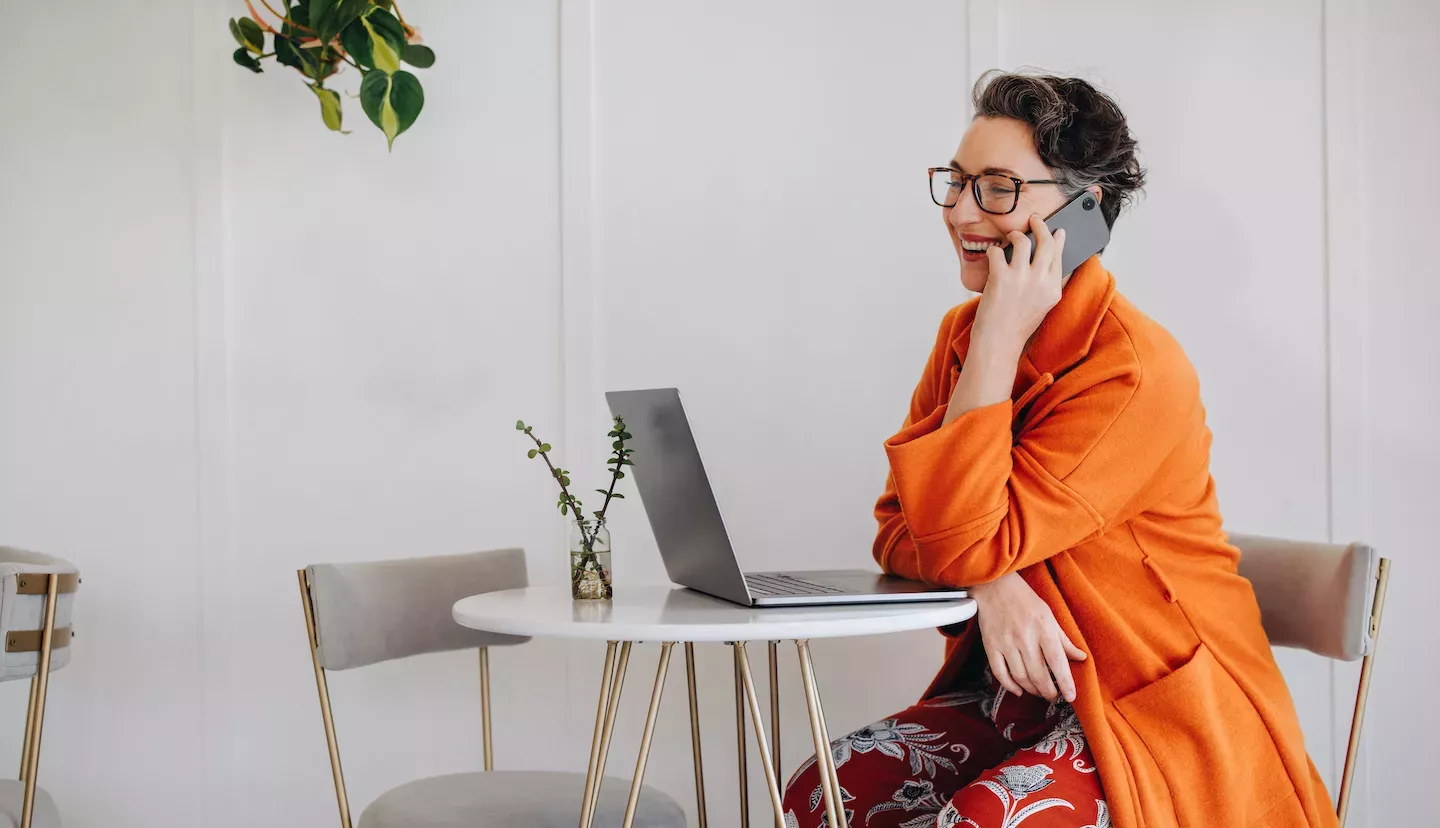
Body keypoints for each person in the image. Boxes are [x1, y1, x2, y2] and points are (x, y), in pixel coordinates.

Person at [780, 72, 1336, 828]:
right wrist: (992, 586)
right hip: (1028, 698)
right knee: (821, 792)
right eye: (958, 182)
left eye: (999, 188)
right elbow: (898, 529)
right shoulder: (964, 337)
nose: (961, 211)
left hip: (1150, 713)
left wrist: (999, 343)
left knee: (982, 820)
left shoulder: (1131, 370)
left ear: (1083, 212)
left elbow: (959, 538)